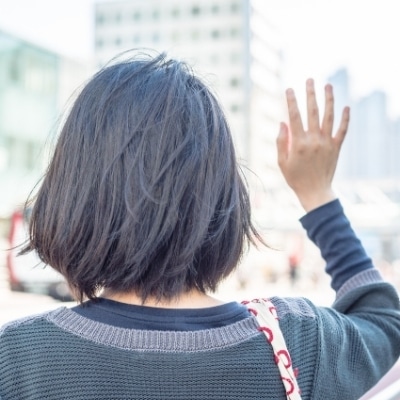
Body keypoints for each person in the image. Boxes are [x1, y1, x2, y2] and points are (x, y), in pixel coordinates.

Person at [1, 52, 399, 400]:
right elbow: (386, 324)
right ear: (222, 198)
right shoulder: (300, 343)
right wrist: (318, 196)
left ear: (71, 190)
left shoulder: (18, 358)